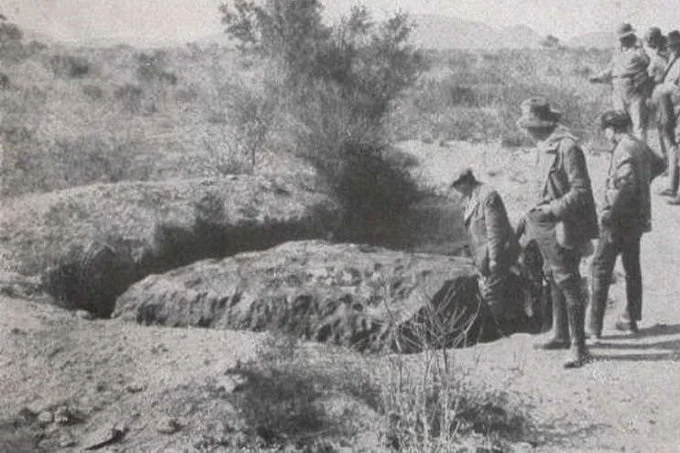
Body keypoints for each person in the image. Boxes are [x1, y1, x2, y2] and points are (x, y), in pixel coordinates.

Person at [517, 97, 599, 368]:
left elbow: (581, 192)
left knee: (568, 280)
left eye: (529, 126)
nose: (526, 131)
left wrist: (551, 210)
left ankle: (580, 347)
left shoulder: (568, 147)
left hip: (563, 225)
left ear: (540, 125)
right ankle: (560, 333)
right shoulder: (545, 146)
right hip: (544, 225)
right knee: (552, 276)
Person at [588, 111, 653, 337]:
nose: (606, 136)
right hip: (637, 219)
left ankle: (593, 328)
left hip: (619, 220)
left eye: (606, 131)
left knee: (599, 268)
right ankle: (630, 319)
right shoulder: (639, 144)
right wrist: (643, 192)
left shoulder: (623, 148)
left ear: (611, 129)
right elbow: (659, 164)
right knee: (632, 268)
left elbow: (628, 183)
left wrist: (612, 213)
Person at [450, 168, 521, 336]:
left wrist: (494, 259)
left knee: (492, 293)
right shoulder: (470, 197)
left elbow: (495, 230)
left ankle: (503, 332)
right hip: (483, 253)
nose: (456, 190)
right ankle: (503, 328)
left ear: (466, 182)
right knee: (492, 291)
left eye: (456, 186)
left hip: (497, 252)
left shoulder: (488, 196)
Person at [590, 23, 652, 143]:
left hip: (634, 90)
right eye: (621, 38)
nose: (622, 40)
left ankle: (641, 154)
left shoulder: (639, 51)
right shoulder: (618, 53)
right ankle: (624, 150)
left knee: (638, 123)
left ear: (630, 37)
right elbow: (610, 69)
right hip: (618, 90)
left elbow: (648, 63)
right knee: (619, 122)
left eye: (625, 38)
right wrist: (598, 78)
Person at [654, 31, 680, 204]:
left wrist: (665, 89)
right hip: (672, 111)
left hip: (677, 108)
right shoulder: (674, 61)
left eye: (674, 47)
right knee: (673, 149)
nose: (671, 50)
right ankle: (672, 187)